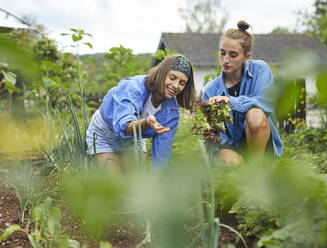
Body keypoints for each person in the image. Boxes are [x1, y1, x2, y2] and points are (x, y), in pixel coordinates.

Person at [86, 55, 195, 171]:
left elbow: (160, 160)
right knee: (116, 186)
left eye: (182, 83)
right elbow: (125, 126)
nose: (175, 85)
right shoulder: (133, 87)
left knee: (136, 185)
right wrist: (147, 122)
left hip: (134, 138)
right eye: (172, 78)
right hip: (105, 133)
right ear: (162, 73)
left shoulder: (171, 112)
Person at [201, 20, 283, 165]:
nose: (225, 60)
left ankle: (256, 171)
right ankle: (242, 168)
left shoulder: (260, 70)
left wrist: (229, 101)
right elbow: (212, 136)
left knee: (255, 114)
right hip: (231, 148)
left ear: (246, 57)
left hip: (261, 145)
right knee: (227, 161)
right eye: (222, 53)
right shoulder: (210, 91)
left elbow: (266, 104)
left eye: (233, 55)